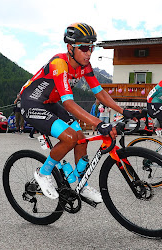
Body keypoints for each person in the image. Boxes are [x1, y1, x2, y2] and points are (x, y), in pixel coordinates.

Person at [20, 22, 135, 202]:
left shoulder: (84, 66)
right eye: (84, 48)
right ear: (70, 47)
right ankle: (43, 173)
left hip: (49, 103)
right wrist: (99, 123)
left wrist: (123, 110)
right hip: (31, 103)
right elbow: (69, 104)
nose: (89, 53)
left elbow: (100, 92)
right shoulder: (59, 64)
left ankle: (83, 185)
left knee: (81, 139)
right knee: (71, 138)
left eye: (91, 48)